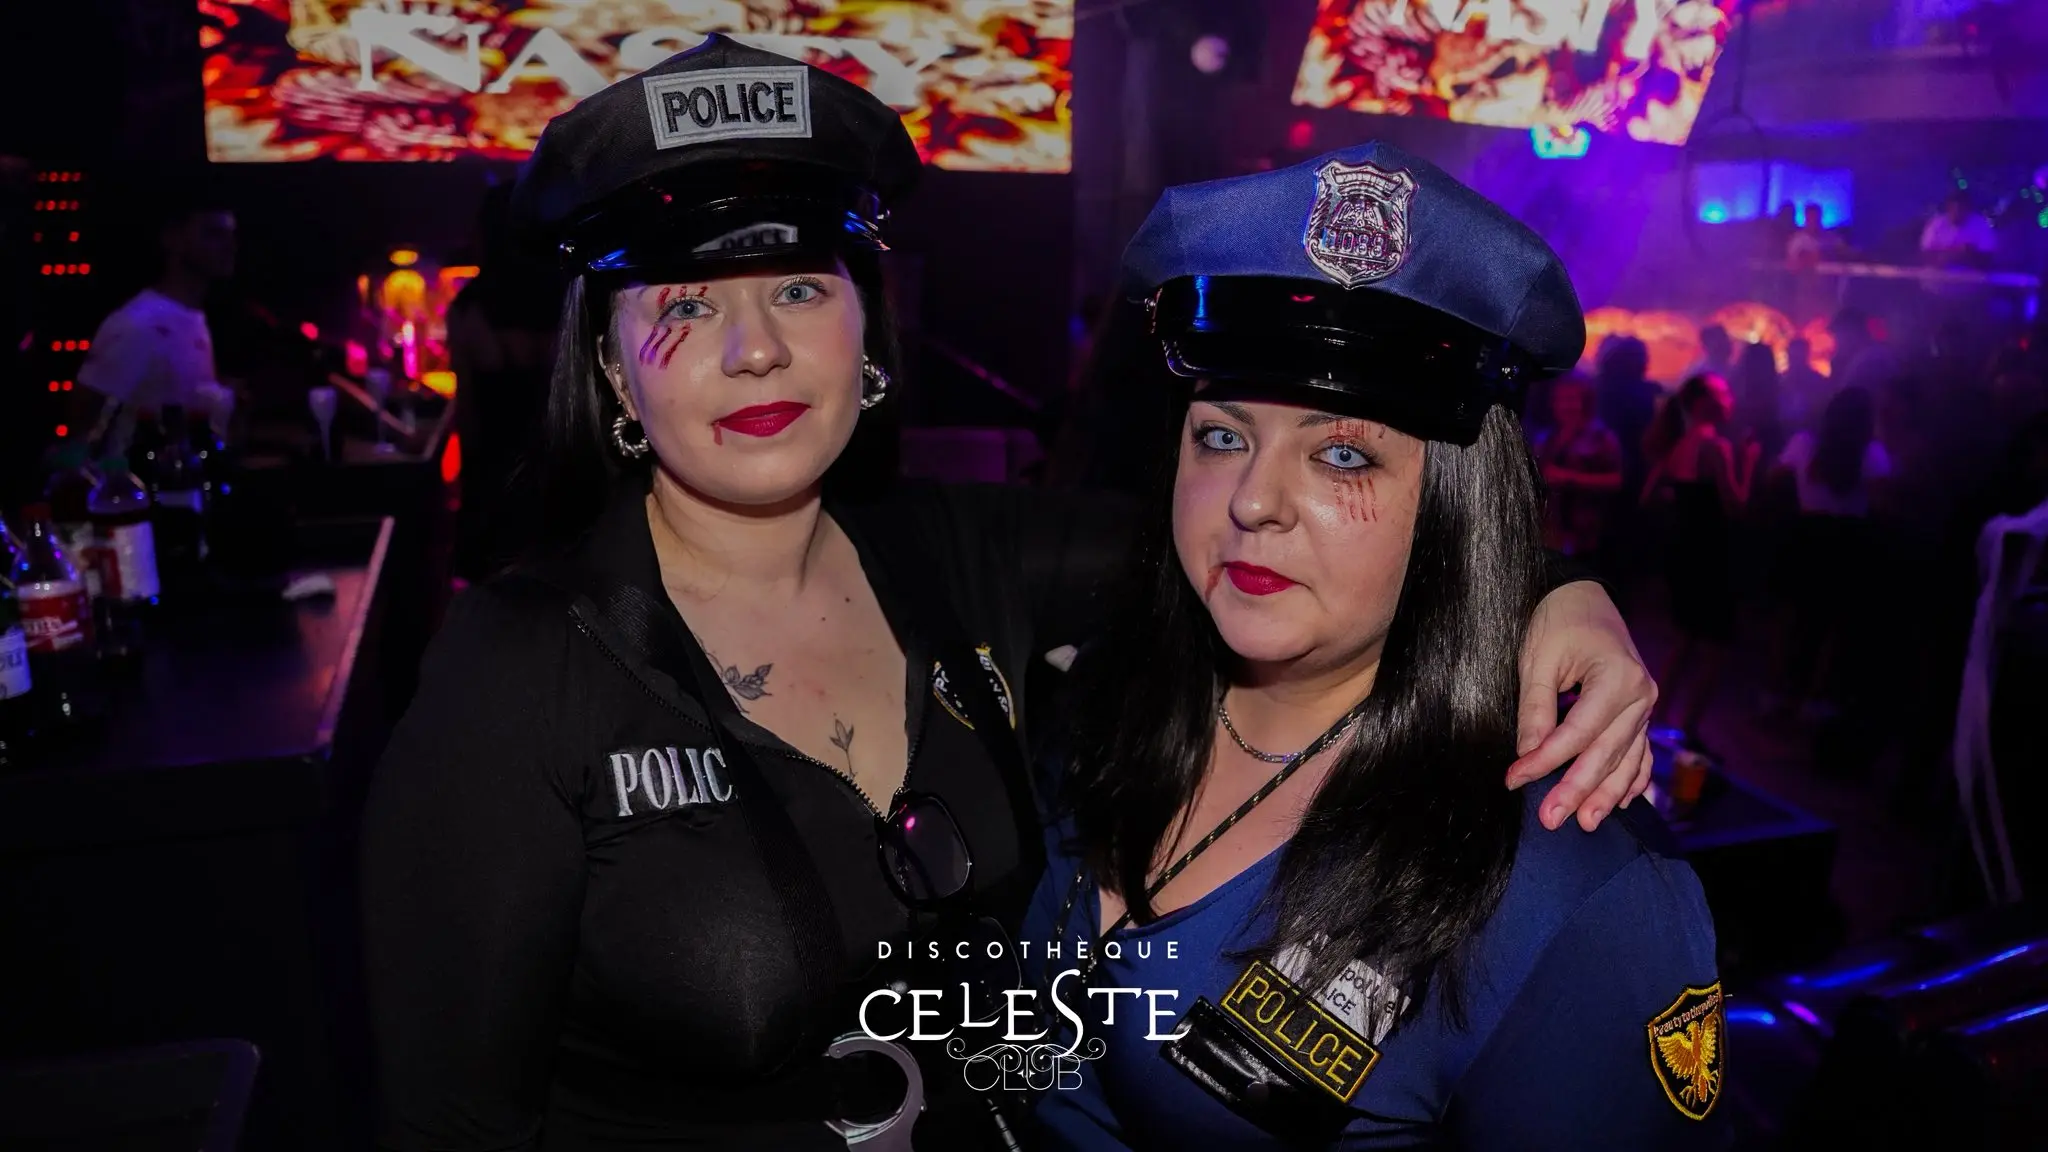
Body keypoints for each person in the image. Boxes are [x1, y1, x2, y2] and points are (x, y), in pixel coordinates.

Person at [359, 40, 1660, 1152]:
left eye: (800, 288)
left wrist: (1555, 592)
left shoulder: (960, 555)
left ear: (867, 333)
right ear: (610, 364)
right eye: (686, 304)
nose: (755, 349)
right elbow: (445, 1120)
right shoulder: (518, 670)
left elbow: (1275, 540)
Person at [1023, 143, 1726, 1150]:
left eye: (1342, 453)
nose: (1253, 501)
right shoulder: (1107, 689)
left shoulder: (1570, 884)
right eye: (1221, 436)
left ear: (1452, 506)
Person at [447, 182, 563, 580]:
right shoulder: (565, 299)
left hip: (495, 478)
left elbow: (468, 413)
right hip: (558, 476)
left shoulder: (469, 309)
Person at [1642, 373, 1759, 747]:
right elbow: (1736, 506)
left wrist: (1681, 504)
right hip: (1711, 556)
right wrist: (1750, 463)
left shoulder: (1678, 444)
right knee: (1714, 649)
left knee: (1685, 640)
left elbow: (1648, 497)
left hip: (1684, 553)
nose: (1730, 397)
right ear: (1704, 402)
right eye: (1723, 392)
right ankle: (1689, 733)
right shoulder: (1715, 446)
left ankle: (1657, 723)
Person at [1764, 387, 1890, 727]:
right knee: (1833, 624)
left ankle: (1776, 695)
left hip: (1808, 536)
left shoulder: (1805, 443)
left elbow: (1773, 477)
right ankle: (1813, 699)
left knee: (1792, 619)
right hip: (1850, 541)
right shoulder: (1872, 452)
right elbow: (1882, 504)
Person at [76, 194, 238, 453]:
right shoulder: (138, 323)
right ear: (172, 239)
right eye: (213, 233)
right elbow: (82, 424)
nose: (229, 246)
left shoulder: (195, 318)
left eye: (231, 235)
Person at [1534, 374, 1623, 563]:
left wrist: (1569, 478)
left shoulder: (1601, 437)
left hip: (1587, 532)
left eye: (1572, 399)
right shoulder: (1548, 437)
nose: (1565, 405)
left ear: (1586, 401)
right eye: (1561, 399)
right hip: (1552, 531)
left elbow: (1616, 480)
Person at [1920, 191, 1996, 268]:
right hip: (1939, 272)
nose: (1957, 212)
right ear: (1947, 209)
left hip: (1971, 272)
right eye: (1952, 208)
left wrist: (1967, 254)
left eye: (1961, 209)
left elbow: (1987, 256)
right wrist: (1955, 251)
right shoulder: (1936, 224)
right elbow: (1925, 252)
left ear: (1968, 209)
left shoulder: (1981, 224)